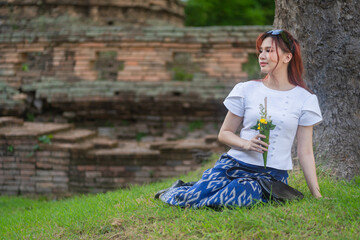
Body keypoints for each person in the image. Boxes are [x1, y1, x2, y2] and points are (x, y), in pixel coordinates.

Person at [156, 29, 323, 209]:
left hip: (268, 177)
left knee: (234, 196)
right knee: (193, 198)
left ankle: (203, 189)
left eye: (269, 51)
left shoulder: (305, 99)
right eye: (261, 51)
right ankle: (181, 190)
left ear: (287, 57)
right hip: (232, 164)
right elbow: (224, 133)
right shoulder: (246, 89)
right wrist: (246, 144)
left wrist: (317, 195)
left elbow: (305, 152)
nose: (262, 56)